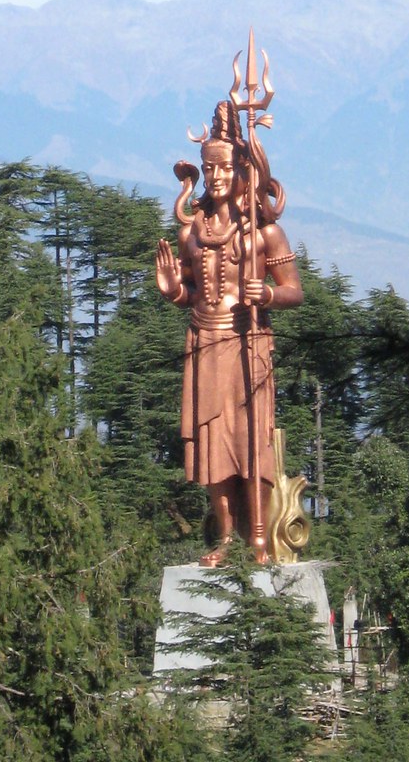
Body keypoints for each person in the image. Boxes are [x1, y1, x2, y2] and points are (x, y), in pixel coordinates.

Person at [155, 99, 303, 565]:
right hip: (205, 341)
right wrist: (175, 291)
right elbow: (192, 293)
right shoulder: (191, 233)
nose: (216, 176)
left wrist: (267, 297)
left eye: (224, 168)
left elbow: (294, 290)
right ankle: (224, 538)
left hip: (249, 341)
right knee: (212, 440)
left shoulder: (264, 233)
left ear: (244, 171)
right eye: (208, 168)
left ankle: (258, 535)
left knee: (249, 438)